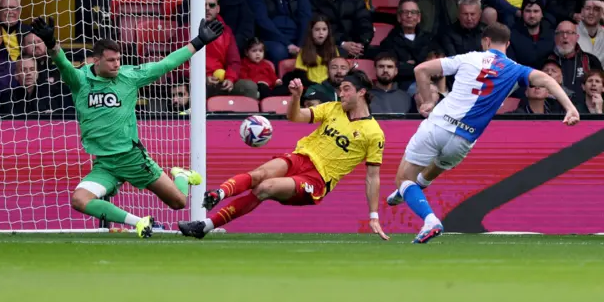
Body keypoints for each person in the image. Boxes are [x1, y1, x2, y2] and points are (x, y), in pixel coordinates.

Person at [29, 16, 224, 238]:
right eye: (111, 60)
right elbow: (62, 62)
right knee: (79, 200)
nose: (116, 64)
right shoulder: (80, 80)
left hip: (132, 158)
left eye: (118, 59)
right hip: (105, 164)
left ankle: (180, 175)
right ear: (96, 60)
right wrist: (51, 42)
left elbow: (166, 64)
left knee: (178, 202)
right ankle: (138, 222)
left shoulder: (129, 77)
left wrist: (198, 41)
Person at [385, 23, 580, 244]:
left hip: (438, 126)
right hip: (464, 139)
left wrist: (428, 101)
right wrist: (570, 108)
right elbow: (546, 79)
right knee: (434, 169)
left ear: (485, 41)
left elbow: (421, 70)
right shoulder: (516, 69)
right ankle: (407, 192)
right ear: (507, 44)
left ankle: (428, 218)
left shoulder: (468, 58)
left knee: (403, 178)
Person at [177, 69, 389, 240]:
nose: (341, 93)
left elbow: (372, 177)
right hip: (299, 157)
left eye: (346, 89)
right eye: (341, 89)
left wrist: (373, 216)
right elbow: (295, 116)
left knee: (264, 188)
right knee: (259, 174)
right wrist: (296, 97)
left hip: (317, 179)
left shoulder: (374, 133)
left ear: (361, 92)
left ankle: (207, 225)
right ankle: (218, 195)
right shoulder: (333, 109)